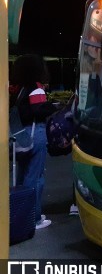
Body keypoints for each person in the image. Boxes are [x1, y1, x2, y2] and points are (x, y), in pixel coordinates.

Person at [10, 54, 57, 230]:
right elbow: (38, 111)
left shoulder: (18, 90)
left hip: (20, 136)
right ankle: (34, 219)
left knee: (22, 178)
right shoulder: (36, 89)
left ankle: (20, 215)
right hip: (35, 135)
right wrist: (53, 107)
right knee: (35, 178)